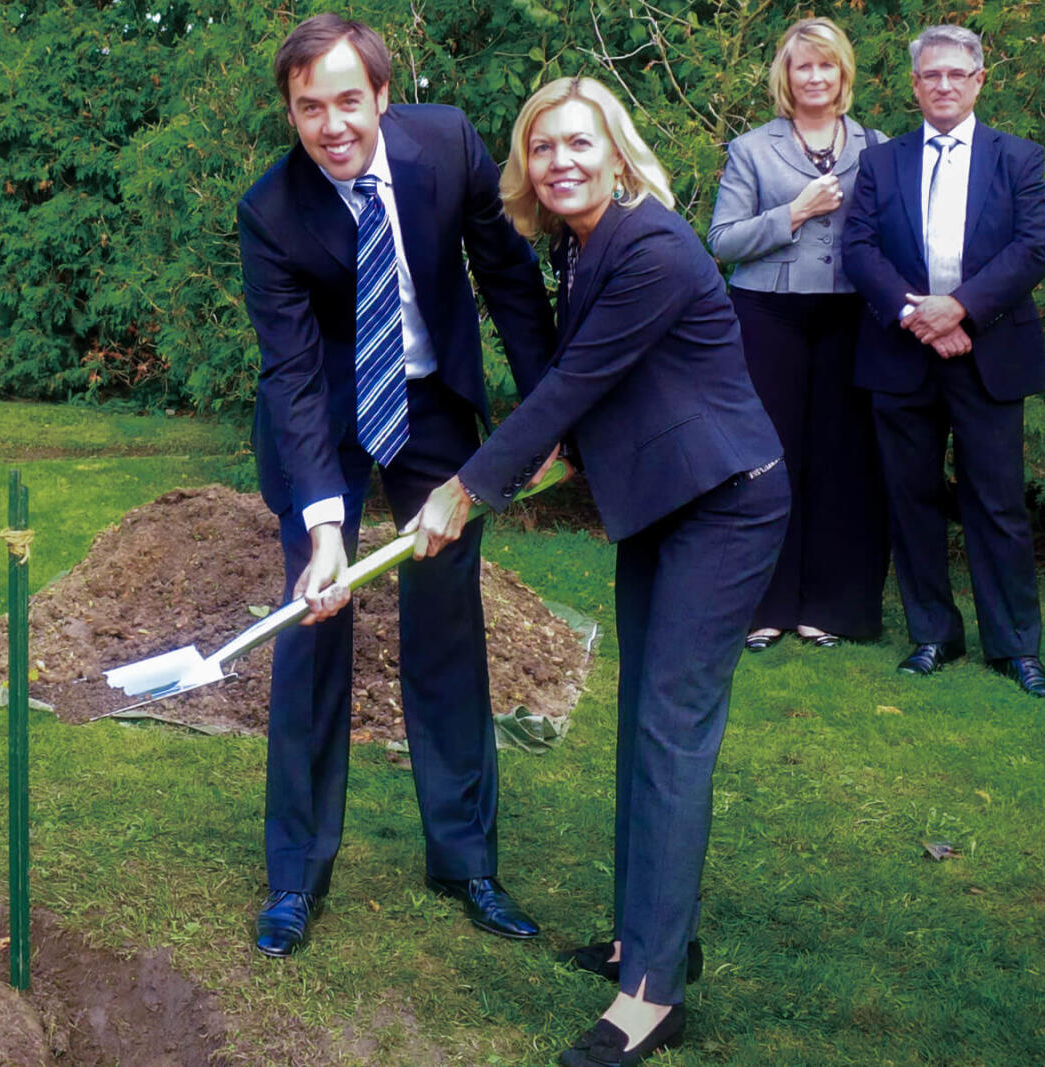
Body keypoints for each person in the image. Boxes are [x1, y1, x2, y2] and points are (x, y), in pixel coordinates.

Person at [408, 76, 789, 1065]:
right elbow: (581, 390)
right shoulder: (581, 251)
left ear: (617, 152)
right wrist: (557, 452)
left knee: (671, 732)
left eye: (578, 143)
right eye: (541, 148)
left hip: (725, 504)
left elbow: (575, 382)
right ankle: (643, 933)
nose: (560, 162)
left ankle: (652, 989)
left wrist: (465, 490)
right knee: (642, 726)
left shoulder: (652, 246)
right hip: (659, 503)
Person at [236, 14, 557, 958]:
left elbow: (507, 275)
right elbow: (291, 374)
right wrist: (324, 529)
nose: (331, 124)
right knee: (312, 631)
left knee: (447, 633)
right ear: (290, 113)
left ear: (381, 95)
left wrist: (547, 417)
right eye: (309, 108)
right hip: (323, 426)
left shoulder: (447, 143)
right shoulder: (272, 212)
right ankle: (296, 874)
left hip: (431, 405)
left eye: (347, 100)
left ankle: (466, 863)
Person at [843, 25, 1045, 695]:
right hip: (901, 351)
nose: (943, 85)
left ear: (979, 81)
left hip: (988, 350)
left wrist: (957, 308)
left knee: (997, 504)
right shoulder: (881, 162)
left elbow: (1030, 250)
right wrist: (916, 316)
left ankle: (1015, 646)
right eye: (931, 75)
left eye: (956, 74)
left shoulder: (1018, 157)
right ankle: (933, 632)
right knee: (912, 499)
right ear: (914, 85)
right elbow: (859, 248)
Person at [708, 16, 889, 652]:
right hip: (768, 314)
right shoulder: (752, 149)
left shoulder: (878, 146)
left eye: (827, 65)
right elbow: (723, 240)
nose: (815, 76)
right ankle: (764, 604)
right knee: (767, 459)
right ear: (786, 76)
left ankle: (830, 606)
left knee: (842, 460)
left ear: (844, 74)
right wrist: (795, 211)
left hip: (850, 316)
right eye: (802, 65)